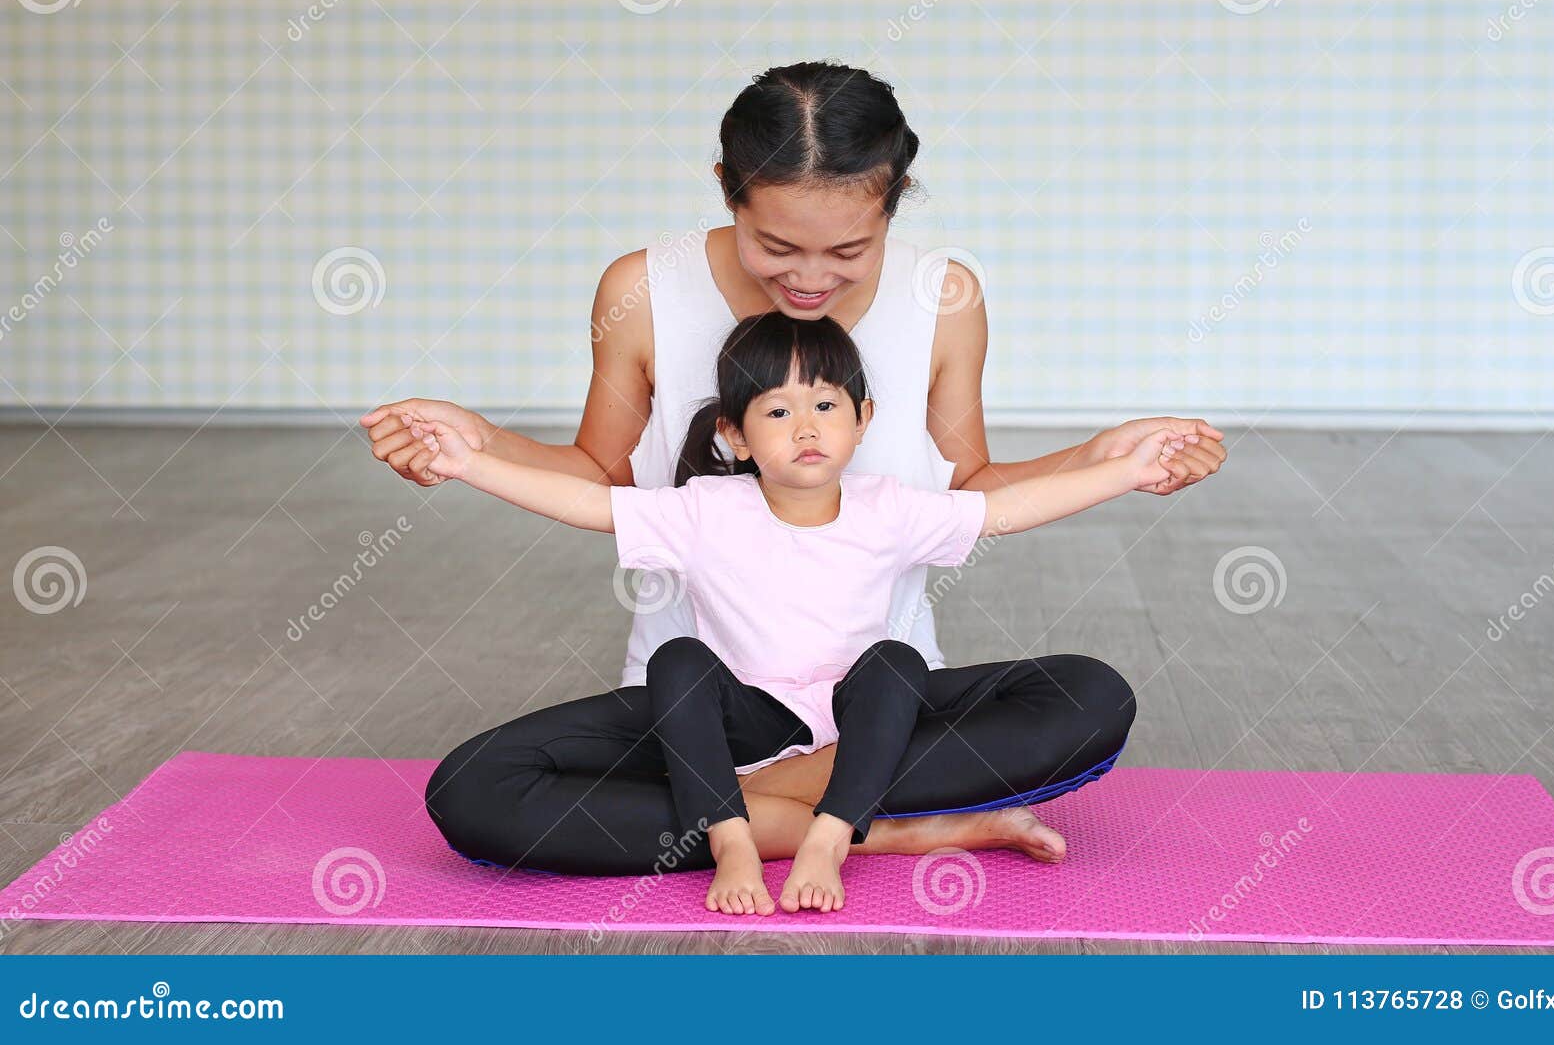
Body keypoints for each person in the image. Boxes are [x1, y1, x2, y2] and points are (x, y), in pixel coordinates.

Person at [361, 59, 1226, 877]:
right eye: (776, 244)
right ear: (726, 189)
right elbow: (598, 470)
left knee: (1087, 700)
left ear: (896, 204)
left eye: (849, 251)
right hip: (696, 710)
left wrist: (1102, 456)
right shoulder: (641, 287)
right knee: (475, 790)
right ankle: (873, 827)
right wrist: (476, 442)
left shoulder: (945, 296)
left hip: (877, 715)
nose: (811, 279)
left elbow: (971, 488)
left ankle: (719, 815)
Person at [412, 311, 1183, 914]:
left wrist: (1125, 470)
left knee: (958, 673)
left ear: (863, 416)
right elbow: (584, 502)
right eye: (777, 412)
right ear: (735, 436)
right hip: (729, 729)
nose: (808, 427)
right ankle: (766, 835)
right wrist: (467, 461)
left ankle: (824, 829)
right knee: (484, 780)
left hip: (863, 721)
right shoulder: (704, 507)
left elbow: (1007, 509)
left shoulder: (892, 507)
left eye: (824, 404)